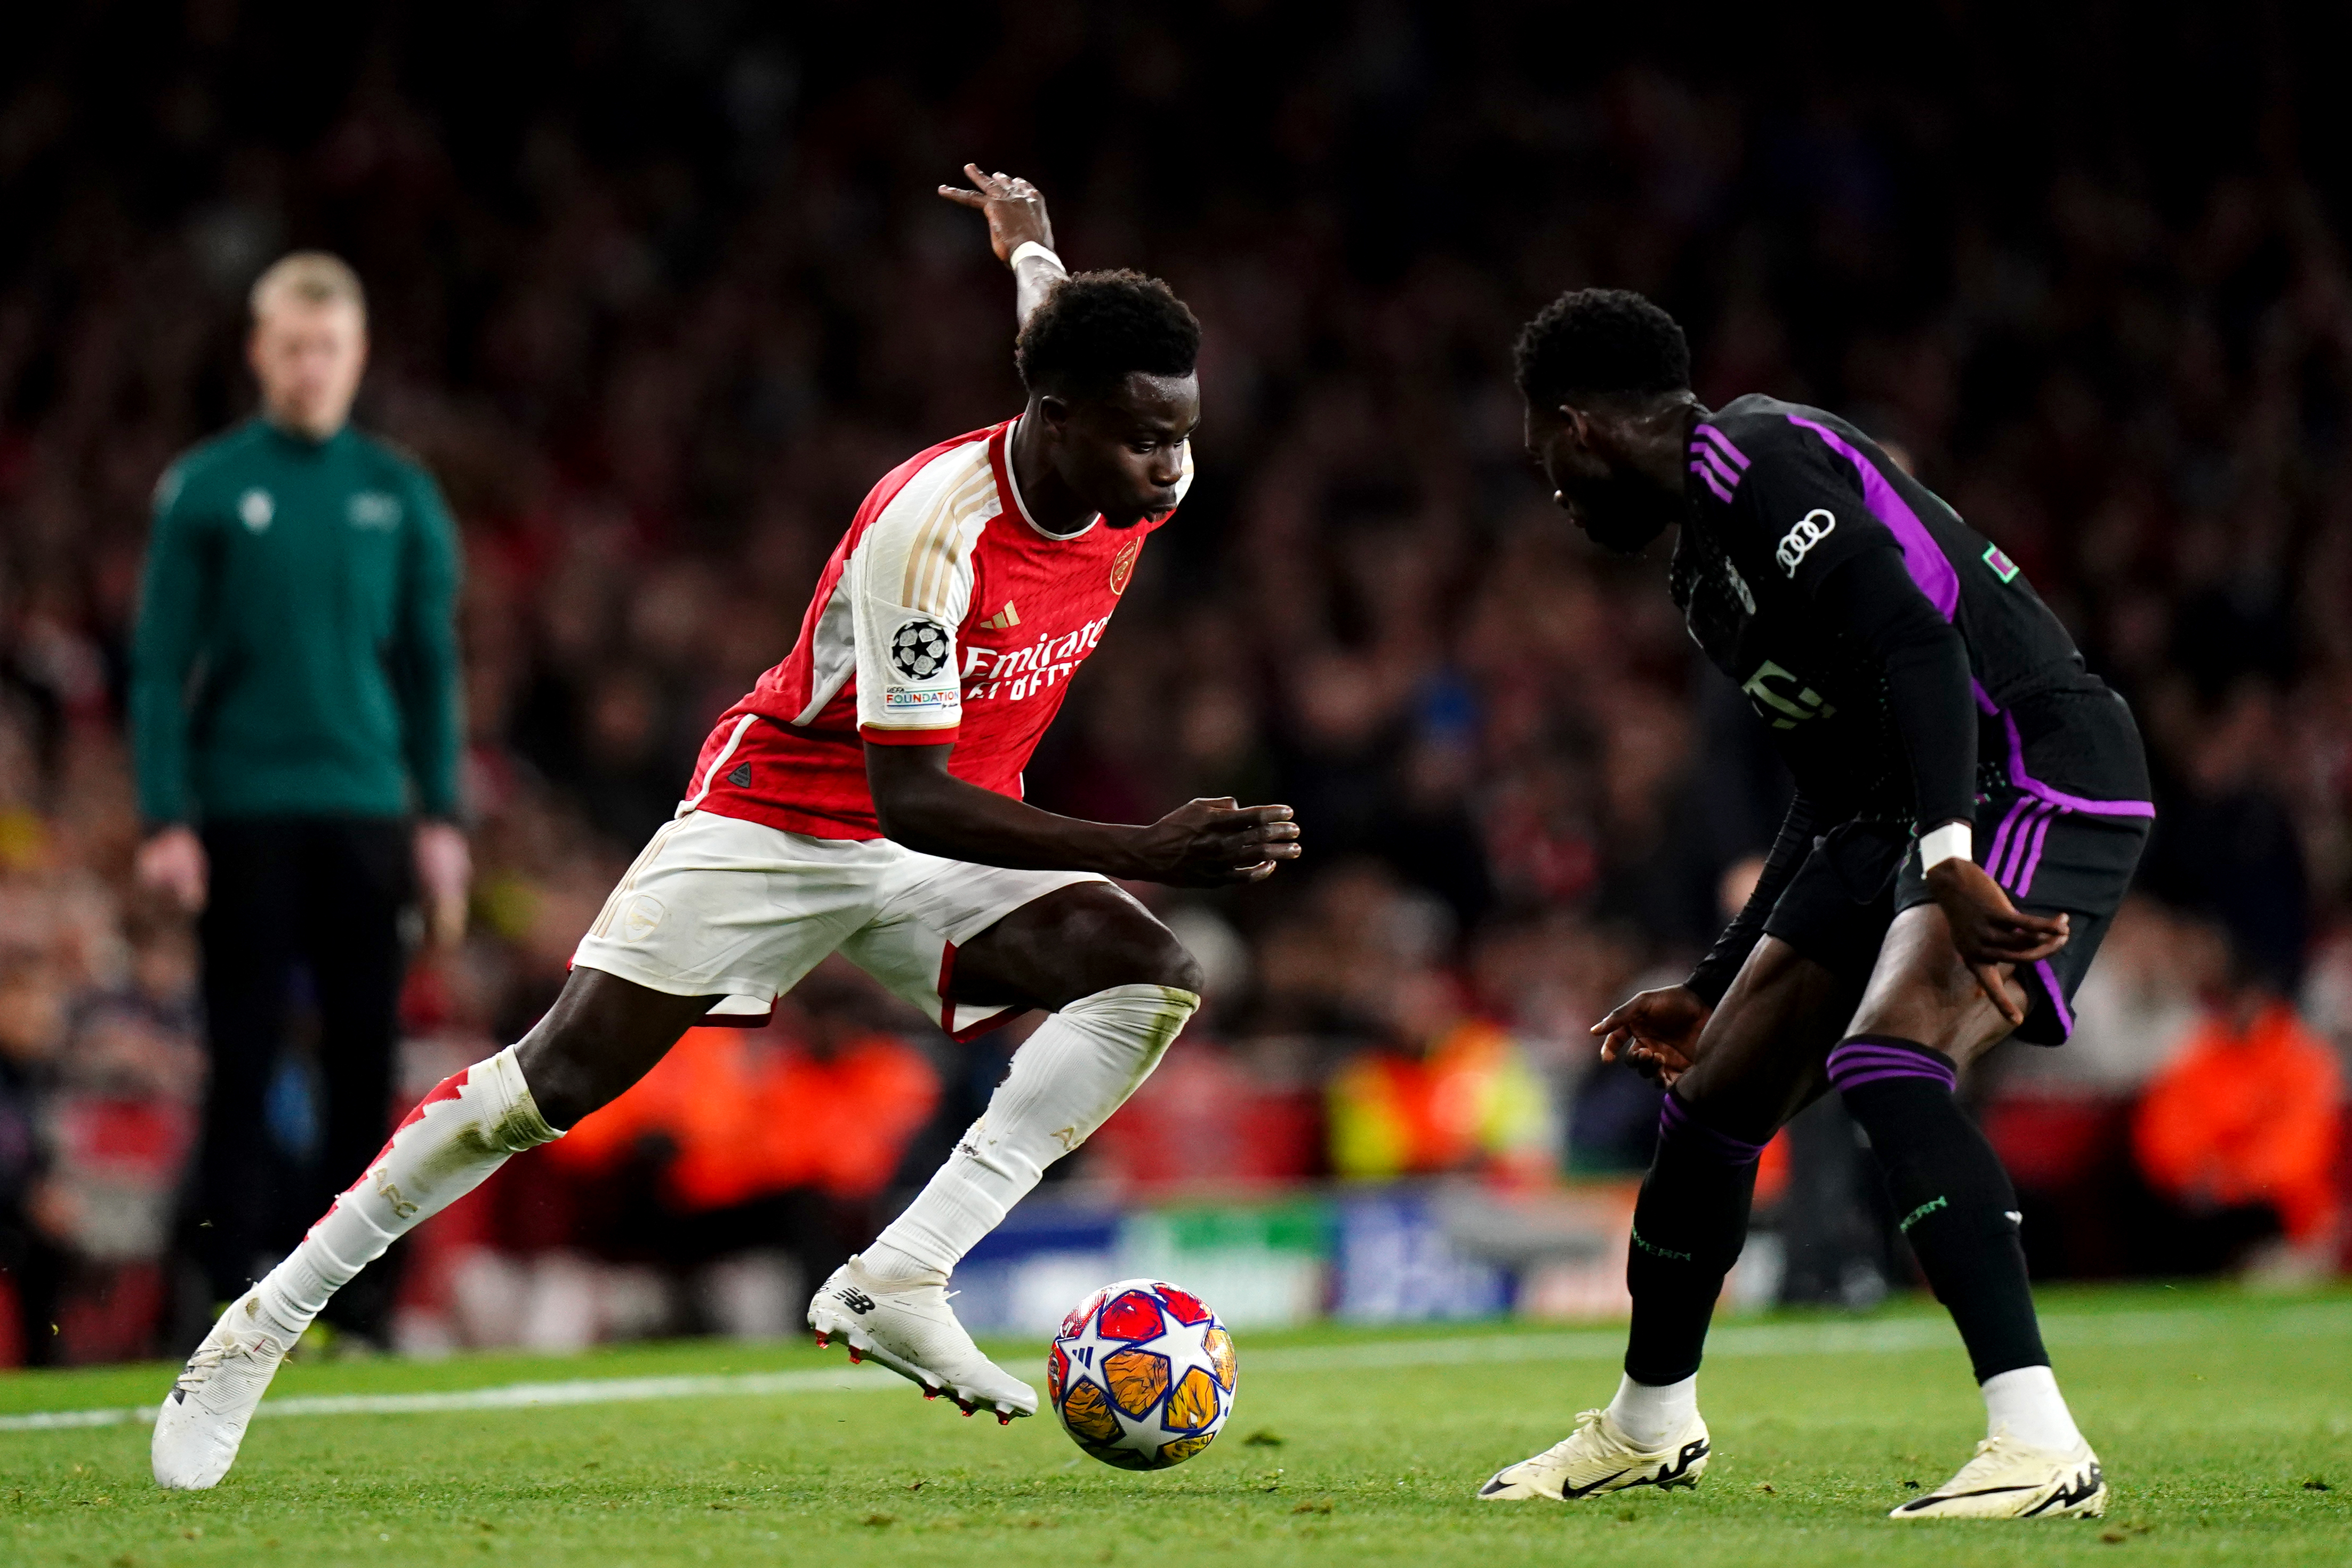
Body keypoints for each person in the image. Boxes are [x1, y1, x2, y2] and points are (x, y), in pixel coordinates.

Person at [151, 170, 1301, 1490]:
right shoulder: (932, 534)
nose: (1169, 469)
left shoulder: (1117, 431)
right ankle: (264, 1321)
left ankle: (902, 1275)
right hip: (787, 813)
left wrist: (1032, 246)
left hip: (935, 842)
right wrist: (1145, 845)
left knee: (1151, 976)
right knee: (549, 1089)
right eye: (1143, 441)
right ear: (1053, 418)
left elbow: (1054, 319)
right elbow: (906, 797)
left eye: (1180, 434)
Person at [1477, 290, 2148, 1521]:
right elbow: (1833, 777)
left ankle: (2038, 1441)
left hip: (2032, 764)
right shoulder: (1704, 574)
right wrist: (1715, 973)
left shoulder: (1763, 457)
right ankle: (1646, 1424)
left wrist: (1949, 852)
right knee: (1712, 1099)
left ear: (1578, 428)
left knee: (1890, 1057)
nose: (1555, 496)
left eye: (1544, 462)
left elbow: (1919, 648)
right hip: (1893, 809)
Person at [131, 252, 469, 1345]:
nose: (311, 367)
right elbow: (157, 664)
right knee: (241, 1059)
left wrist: (445, 820)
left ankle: (360, 1307)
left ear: (357, 355)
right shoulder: (209, 487)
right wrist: (165, 816)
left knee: (366, 1066)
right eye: (292, 347)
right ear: (258, 353)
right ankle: (221, 1291)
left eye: (328, 347)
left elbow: (430, 666)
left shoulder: (400, 494)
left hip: (368, 809)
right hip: (243, 809)